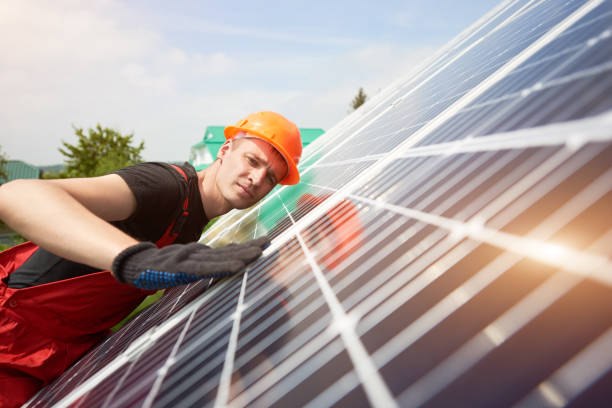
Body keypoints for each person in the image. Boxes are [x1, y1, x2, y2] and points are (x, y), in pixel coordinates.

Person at [0, 111, 303, 407]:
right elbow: (15, 195)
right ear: (225, 149)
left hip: (59, 356)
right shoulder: (165, 186)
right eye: (252, 161)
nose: (257, 178)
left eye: (271, 177)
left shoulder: (193, 220)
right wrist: (136, 260)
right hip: (10, 343)